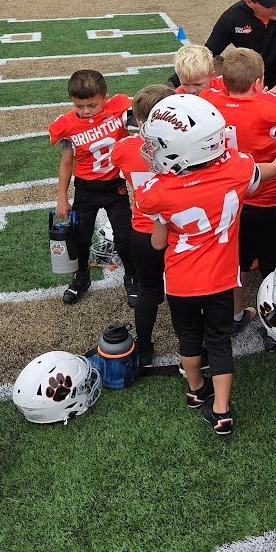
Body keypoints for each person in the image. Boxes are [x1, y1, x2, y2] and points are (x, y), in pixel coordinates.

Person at [136, 94, 276, 436]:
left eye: (157, 145)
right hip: (220, 279)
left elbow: (157, 242)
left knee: (188, 336)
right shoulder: (238, 169)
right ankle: (222, 410)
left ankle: (196, 390)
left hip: (182, 280)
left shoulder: (155, 191)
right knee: (219, 341)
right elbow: (274, 168)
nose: (151, 151)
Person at [200, 48, 276, 328]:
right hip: (267, 202)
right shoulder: (272, 107)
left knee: (238, 263)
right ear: (258, 82)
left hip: (228, 204)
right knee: (272, 266)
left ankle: (235, 314)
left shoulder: (209, 101)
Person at [48, 69, 136, 306]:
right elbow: (66, 163)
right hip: (86, 189)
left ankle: (132, 277)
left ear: (105, 97)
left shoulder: (118, 110)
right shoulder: (67, 125)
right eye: (79, 106)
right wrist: (62, 197)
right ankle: (81, 277)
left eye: (92, 105)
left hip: (114, 187)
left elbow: (141, 123)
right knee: (80, 238)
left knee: (125, 236)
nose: (85, 111)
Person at [108, 84, 173, 369]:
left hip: (143, 231)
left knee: (148, 291)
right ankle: (195, 345)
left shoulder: (123, 148)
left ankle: (144, 348)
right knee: (185, 293)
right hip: (180, 231)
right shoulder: (185, 147)